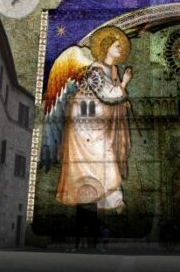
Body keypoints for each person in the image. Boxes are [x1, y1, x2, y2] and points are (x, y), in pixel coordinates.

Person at [54, 26, 133, 211]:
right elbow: (108, 94)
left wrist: (123, 101)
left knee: (104, 156)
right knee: (103, 155)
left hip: (97, 121)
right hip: (85, 120)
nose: (120, 49)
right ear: (106, 48)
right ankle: (110, 200)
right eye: (116, 46)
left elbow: (113, 97)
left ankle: (110, 200)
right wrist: (125, 82)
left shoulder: (112, 69)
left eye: (120, 46)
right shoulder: (95, 70)